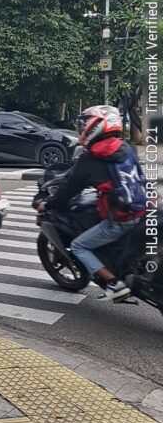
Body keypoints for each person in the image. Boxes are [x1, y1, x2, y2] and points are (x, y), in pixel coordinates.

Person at [38, 105, 146, 301]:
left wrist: (49, 204)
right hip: (141, 210)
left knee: (79, 246)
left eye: (84, 124)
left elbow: (69, 190)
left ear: (94, 126)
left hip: (120, 219)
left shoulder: (92, 158)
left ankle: (114, 285)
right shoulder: (128, 147)